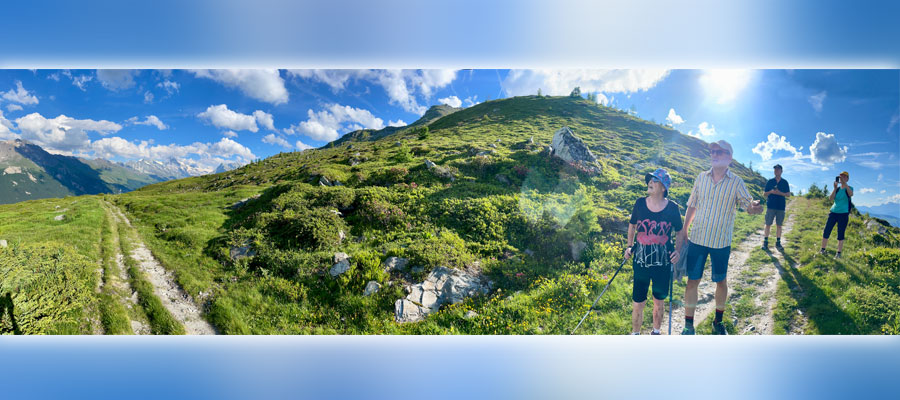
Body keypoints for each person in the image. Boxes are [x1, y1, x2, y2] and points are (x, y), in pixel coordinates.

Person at [676, 140, 763, 335]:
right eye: (713, 151)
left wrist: (754, 207)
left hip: (720, 242)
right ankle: (689, 326)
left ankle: (718, 322)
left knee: (721, 281)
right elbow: (692, 205)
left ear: (729, 158)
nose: (714, 154)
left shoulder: (737, 182)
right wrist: (684, 230)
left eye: (720, 152)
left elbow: (746, 205)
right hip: (697, 239)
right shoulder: (701, 177)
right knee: (693, 281)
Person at [624, 168, 683, 335]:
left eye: (655, 180)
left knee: (659, 302)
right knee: (638, 303)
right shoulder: (640, 203)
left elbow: (679, 231)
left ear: (663, 187)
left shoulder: (672, 208)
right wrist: (629, 246)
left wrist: (677, 252)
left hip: (662, 263)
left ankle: (656, 333)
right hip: (640, 262)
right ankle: (636, 335)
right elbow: (632, 225)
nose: (650, 182)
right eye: (650, 179)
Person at [821, 171, 853, 259]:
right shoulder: (838, 189)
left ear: (847, 178)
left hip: (843, 213)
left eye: (844, 176)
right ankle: (822, 249)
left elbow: (851, 194)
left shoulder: (850, 188)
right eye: (840, 176)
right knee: (827, 230)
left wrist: (845, 184)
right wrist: (834, 188)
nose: (841, 178)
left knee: (841, 233)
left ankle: (838, 253)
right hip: (833, 212)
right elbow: (830, 199)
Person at [763, 164, 791, 249]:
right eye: (775, 170)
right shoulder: (770, 181)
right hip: (770, 206)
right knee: (768, 224)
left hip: (781, 207)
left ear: (781, 171)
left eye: (778, 170)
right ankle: (765, 242)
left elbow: (788, 194)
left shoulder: (785, 182)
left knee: (779, 225)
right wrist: (771, 192)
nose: (776, 171)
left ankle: (778, 243)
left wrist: (780, 193)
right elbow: (764, 194)